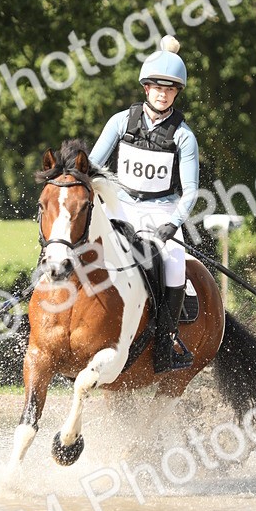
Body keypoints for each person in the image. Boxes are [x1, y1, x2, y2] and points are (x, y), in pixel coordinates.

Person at [88, 35, 199, 373]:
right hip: (119, 204)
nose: (162, 93)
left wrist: (172, 224)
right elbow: (92, 165)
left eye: (169, 89)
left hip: (160, 209)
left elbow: (191, 191)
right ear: (146, 88)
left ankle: (166, 342)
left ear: (176, 93)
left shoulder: (183, 136)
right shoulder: (120, 121)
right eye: (156, 87)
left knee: (176, 260)